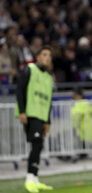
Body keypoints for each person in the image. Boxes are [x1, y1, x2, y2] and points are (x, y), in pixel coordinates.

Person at [15, 46, 54, 193]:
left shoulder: (49, 78)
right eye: (44, 55)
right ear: (37, 57)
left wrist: (48, 121)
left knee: (39, 146)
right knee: (36, 144)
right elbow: (20, 90)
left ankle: (35, 179)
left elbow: (49, 101)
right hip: (31, 113)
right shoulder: (29, 69)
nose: (47, 58)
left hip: (42, 116)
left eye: (49, 55)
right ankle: (30, 179)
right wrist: (22, 111)